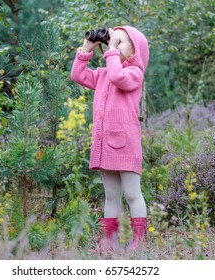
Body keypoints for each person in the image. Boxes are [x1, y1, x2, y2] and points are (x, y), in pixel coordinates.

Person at [70, 26, 149, 250]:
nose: (113, 43)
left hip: (127, 144)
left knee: (133, 194)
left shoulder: (134, 73)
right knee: (111, 195)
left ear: (135, 51)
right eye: (112, 40)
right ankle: (109, 241)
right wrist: (86, 48)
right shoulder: (103, 74)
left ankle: (139, 241)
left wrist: (111, 50)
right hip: (106, 144)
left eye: (120, 41)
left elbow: (117, 76)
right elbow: (77, 75)